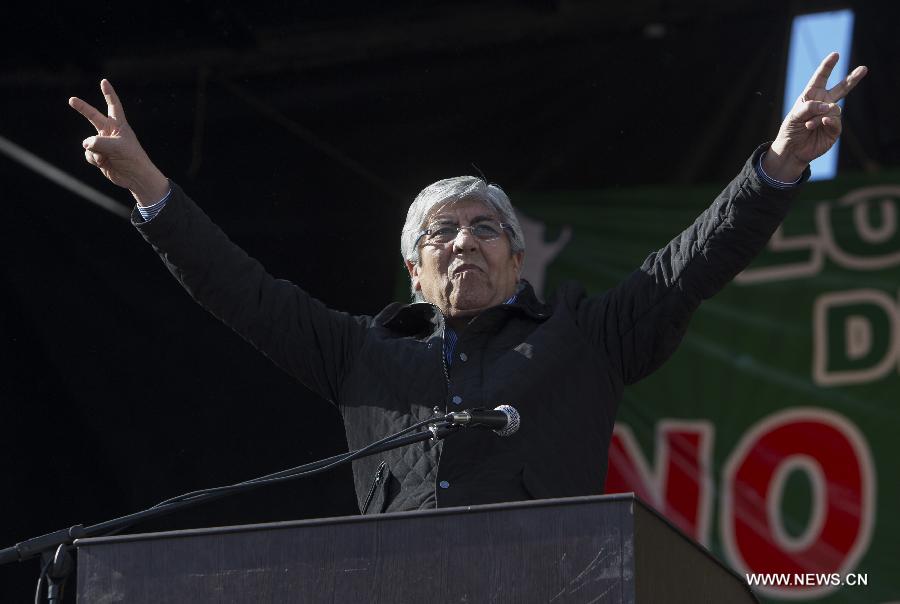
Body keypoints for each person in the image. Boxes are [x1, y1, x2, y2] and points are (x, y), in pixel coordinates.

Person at [69, 53, 866, 515]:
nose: (463, 242)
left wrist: (781, 165)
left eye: (486, 227)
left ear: (519, 261)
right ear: (413, 271)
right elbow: (237, 288)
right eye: (439, 233)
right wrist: (149, 189)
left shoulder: (584, 338)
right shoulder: (358, 355)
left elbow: (692, 261)